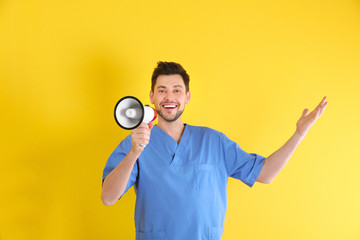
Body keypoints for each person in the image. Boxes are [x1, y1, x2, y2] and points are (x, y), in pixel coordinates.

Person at [101, 61, 328, 240]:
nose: (169, 97)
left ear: (187, 97)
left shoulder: (214, 141)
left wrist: (299, 134)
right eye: (162, 90)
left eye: (177, 90)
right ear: (152, 97)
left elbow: (266, 173)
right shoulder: (135, 143)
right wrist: (134, 153)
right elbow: (108, 198)